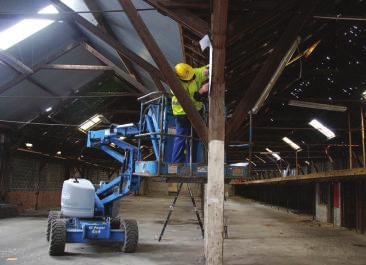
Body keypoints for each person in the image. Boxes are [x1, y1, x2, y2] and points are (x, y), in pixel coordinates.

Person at [171, 63, 209, 163]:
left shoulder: (191, 72)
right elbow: (188, 100)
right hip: (182, 114)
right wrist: (201, 91)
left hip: (196, 112)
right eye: (189, 78)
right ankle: (176, 164)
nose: (192, 79)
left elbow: (201, 71)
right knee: (182, 138)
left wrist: (207, 69)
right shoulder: (175, 85)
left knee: (195, 139)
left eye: (192, 77)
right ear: (180, 77)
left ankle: (191, 163)